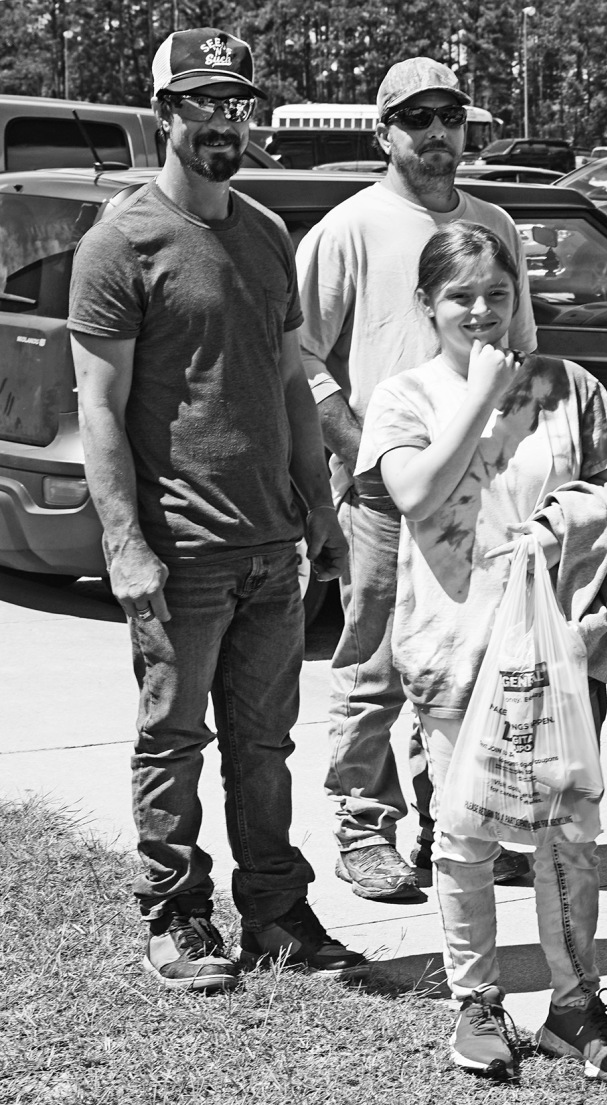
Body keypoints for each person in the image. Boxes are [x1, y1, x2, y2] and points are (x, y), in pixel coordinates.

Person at [68, 28, 366, 993]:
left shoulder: (267, 233)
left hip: (272, 546)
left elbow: (289, 385)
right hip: (180, 550)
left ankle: (276, 913)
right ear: (163, 113)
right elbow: (99, 407)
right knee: (173, 739)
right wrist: (125, 543)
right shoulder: (121, 243)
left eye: (236, 103)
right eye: (202, 103)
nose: (223, 122)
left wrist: (318, 507)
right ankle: (176, 913)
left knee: (265, 746)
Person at [355, 221, 607, 1084]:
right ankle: (476, 1003)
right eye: (461, 297)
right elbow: (414, 493)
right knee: (464, 836)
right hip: (455, 653)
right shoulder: (405, 397)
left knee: (567, 834)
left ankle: (575, 1005)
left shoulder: (570, 386)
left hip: (557, 654)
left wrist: (575, 521)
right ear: (426, 304)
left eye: (497, 293)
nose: (482, 311)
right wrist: (480, 393)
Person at [297, 58, 537, 902]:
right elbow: (301, 358)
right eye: (416, 118)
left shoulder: (494, 224)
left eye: (450, 117)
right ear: (384, 133)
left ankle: (458, 821)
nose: (436, 132)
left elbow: (521, 351)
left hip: (478, 493)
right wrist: (364, 450)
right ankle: (364, 827)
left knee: (471, 659)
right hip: (381, 488)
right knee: (376, 664)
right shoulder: (348, 229)